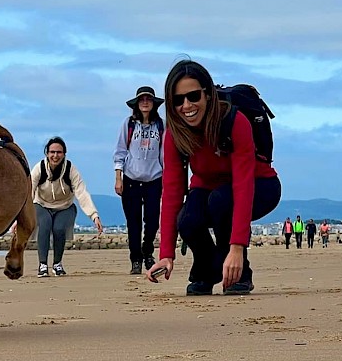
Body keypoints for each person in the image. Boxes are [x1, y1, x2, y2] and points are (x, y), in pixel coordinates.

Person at [147, 60, 281, 296]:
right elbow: (172, 193)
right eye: (178, 100)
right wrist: (166, 254)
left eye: (193, 96)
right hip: (209, 188)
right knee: (187, 219)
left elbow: (243, 186)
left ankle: (240, 272)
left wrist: (236, 248)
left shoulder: (234, 122)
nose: (186, 106)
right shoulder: (174, 135)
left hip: (260, 185)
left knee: (221, 201)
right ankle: (207, 270)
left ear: (207, 94)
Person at [30, 136, 104, 277]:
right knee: (45, 225)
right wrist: (19, 219)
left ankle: (57, 264)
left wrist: (94, 216)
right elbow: (29, 192)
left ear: (64, 154)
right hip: (41, 205)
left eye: (59, 152)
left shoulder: (71, 170)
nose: (55, 156)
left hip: (65, 207)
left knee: (59, 229)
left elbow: (82, 193)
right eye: (52, 152)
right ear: (47, 153)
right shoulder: (39, 168)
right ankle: (43, 265)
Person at [113, 86, 166, 274]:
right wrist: (118, 177)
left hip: (154, 179)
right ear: (136, 103)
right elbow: (120, 151)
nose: (145, 102)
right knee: (133, 223)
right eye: (142, 99)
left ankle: (147, 252)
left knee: (152, 222)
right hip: (131, 179)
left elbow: (164, 155)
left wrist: (167, 179)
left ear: (153, 103)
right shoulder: (128, 124)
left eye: (148, 99)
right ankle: (135, 259)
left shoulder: (161, 125)